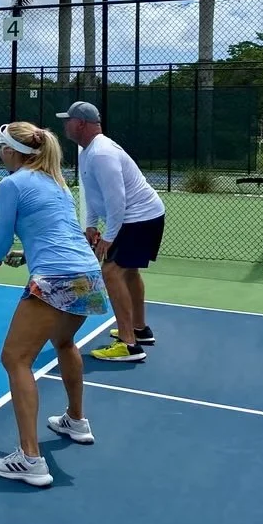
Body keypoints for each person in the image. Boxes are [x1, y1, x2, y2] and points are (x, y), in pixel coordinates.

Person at [0, 121, 110, 488]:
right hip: (88, 273)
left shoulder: (12, 184)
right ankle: (76, 420)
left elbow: (0, 241)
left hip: (55, 277)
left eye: (1, 147)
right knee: (65, 342)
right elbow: (56, 232)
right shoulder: (56, 182)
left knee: (15, 359)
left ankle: (30, 459)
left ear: (11, 151)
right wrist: (27, 255)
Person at [58, 101, 166, 362]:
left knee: (111, 272)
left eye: (68, 120)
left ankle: (128, 345)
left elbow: (117, 200)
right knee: (129, 272)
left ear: (80, 124)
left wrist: (108, 237)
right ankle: (139, 330)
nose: (64, 125)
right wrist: (91, 225)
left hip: (139, 217)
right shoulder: (87, 151)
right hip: (139, 217)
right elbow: (94, 194)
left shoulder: (101, 153)